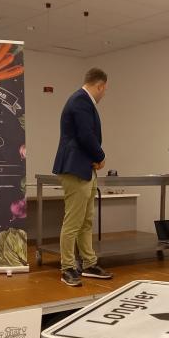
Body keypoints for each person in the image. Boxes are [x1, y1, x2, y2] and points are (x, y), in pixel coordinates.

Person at [52, 68, 114, 287]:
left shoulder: (83, 101)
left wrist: (94, 159)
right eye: (104, 89)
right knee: (74, 221)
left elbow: (86, 135)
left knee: (86, 220)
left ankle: (89, 263)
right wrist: (101, 156)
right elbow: (85, 135)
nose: (104, 93)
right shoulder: (80, 100)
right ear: (99, 85)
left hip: (85, 167)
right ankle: (67, 267)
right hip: (75, 167)